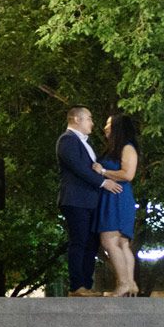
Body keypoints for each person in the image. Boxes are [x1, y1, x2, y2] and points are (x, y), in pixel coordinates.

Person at [56, 106, 123, 295]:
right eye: (89, 119)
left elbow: (88, 167)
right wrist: (103, 182)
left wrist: (99, 169)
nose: (92, 123)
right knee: (79, 241)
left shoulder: (85, 143)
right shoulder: (67, 140)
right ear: (77, 119)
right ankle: (77, 285)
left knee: (91, 244)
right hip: (75, 200)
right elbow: (78, 168)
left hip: (90, 201)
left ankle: (86, 283)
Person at [94, 111, 141, 296]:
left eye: (108, 124)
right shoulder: (117, 148)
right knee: (121, 243)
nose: (105, 127)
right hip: (114, 197)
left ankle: (122, 284)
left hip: (118, 197)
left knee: (109, 240)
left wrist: (103, 171)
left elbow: (128, 174)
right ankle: (130, 284)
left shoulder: (127, 147)